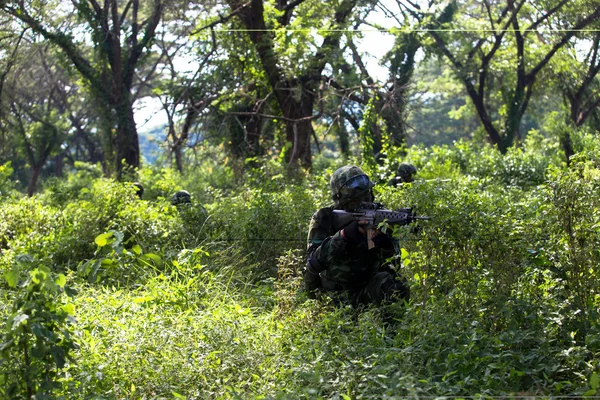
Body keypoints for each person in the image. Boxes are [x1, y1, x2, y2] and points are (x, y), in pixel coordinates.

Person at [304, 165, 410, 307]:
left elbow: (395, 265)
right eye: (354, 201)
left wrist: (386, 244)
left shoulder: (380, 216)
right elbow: (312, 262)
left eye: (366, 196)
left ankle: (391, 329)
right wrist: (344, 236)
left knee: (397, 286)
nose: (363, 203)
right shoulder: (325, 218)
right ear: (340, 200)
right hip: (335, 294)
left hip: (367, 288)